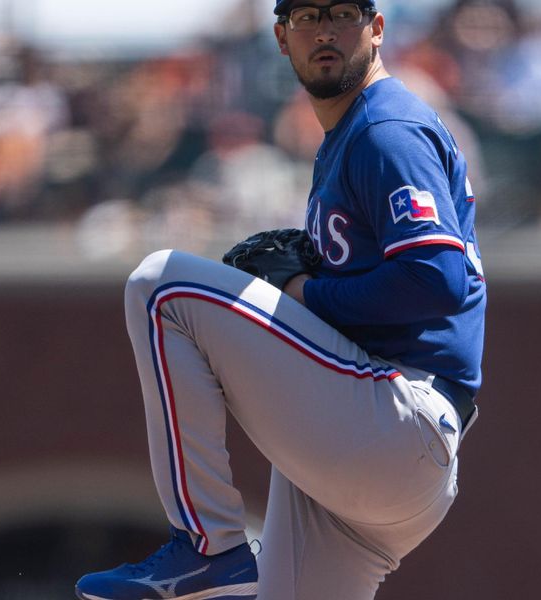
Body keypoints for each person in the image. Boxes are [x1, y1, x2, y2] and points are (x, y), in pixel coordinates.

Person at [75, 1, 486, 599]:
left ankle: (206, 546)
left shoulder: (386, 130)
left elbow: (437, 279)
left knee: (162, 285)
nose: (323, 30)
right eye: (306, 16)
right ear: (280, 38)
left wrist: (303, 293)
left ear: (376, 29)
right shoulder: (348, 134)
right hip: (377, 461)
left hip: (398, 418)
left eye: (343, 12)